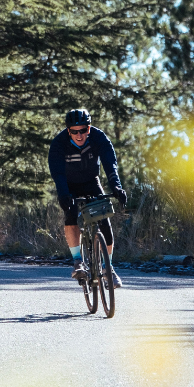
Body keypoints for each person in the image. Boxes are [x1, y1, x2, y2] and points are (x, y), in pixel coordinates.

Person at [48, 107, 126, 288]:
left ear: (88, 128)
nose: (79, 135)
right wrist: (63, 194)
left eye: (83, 130)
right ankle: (78, 261)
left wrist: (116, 187)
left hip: (91, 182)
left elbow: (110, 165)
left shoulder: (99, 137)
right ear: (68, 131)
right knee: (70, 215)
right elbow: (58, 173)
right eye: (74, 131)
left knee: (104, 220)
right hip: (69, 184)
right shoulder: (59, 143)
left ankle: (108, 268)